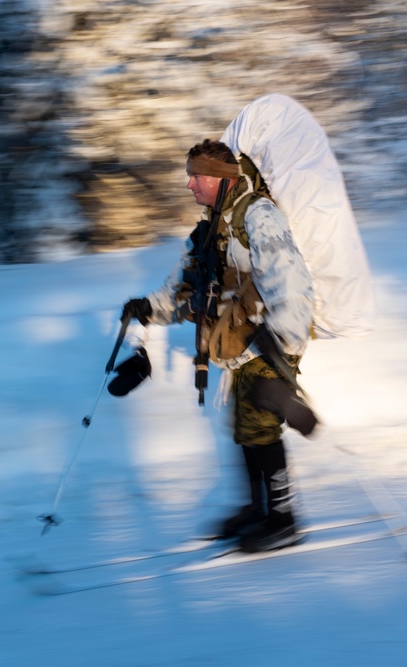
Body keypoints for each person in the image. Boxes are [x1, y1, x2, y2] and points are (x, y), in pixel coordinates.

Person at [120, 139, 316, 553]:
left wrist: (284, 345)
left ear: (219, 178)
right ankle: (255, 508)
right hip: (239, 342)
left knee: (259, 424)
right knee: (243, 427)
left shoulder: (259, 216)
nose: (189, 184)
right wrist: (146, 309)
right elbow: (180, 289)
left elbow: (292, 283)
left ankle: (284, 520)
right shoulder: (208, 228)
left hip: (271, 338)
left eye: (195, 176)